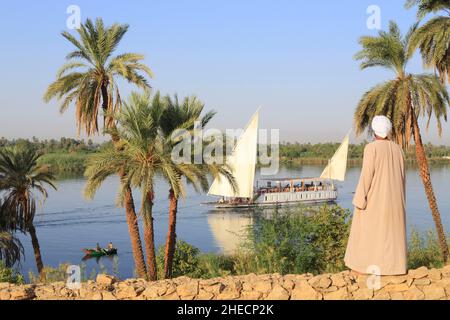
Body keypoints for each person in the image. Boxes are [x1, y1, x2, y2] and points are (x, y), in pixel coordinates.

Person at [344, 115, 407, 275]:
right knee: (390, 237)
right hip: (395, 203)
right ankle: (393, 268)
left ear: (374, 131)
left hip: (375, 201)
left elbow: (366, 177)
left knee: (367, 233)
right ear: (389, 131)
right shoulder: (398, 149)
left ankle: (363, 268)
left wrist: (359, 200)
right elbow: (402, 178)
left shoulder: (371, 148)